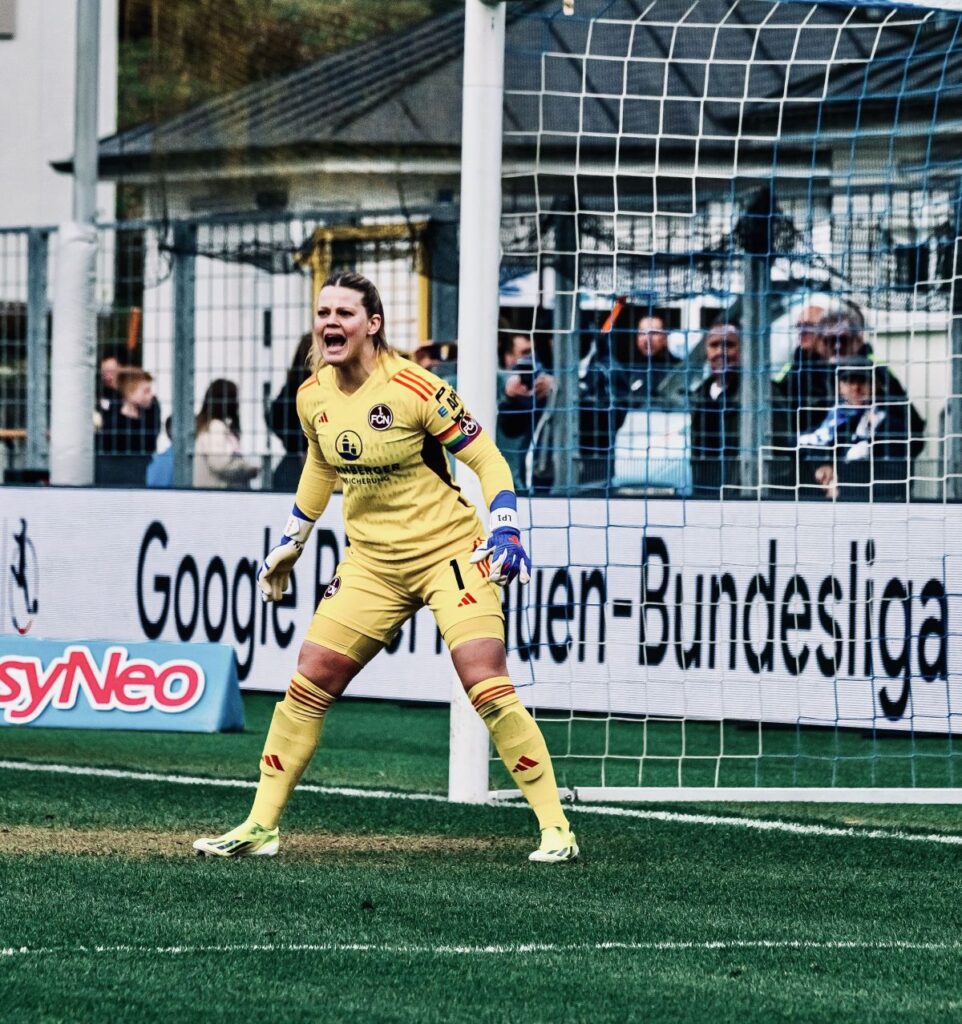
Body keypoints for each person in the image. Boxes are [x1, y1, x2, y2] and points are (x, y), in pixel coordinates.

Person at [193, 271, 578, 863]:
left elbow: (489, 460)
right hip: (372, 562)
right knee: (309, 678)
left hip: (450, 553)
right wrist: (292, 539)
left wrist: (506, 524)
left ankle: (556, 829)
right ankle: (260, 826)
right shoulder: (311, 395)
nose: (329, 323)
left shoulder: (417, 389)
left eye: (344, 313)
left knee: (485, 681)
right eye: (323, 312)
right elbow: (322, 467)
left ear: (372, 324)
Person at [816, 301, 926, 461]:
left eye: (843, 339)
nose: (837, 346)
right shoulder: (816, 370)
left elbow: (912, 428)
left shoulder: (877, 372)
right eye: (830, 340)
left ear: (858, 339)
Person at [798, 356, 912, 502]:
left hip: (868, 508)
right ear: (840, 386)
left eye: (863, 381)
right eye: (849, 381)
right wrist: (823, 463)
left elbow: (897, 482)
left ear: (876, 385)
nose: (856, 388)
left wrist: (841, 487)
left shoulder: (889, 425)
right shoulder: (832, 420)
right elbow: (795, 441)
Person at [496, 332, 554, 492]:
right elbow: (510, 429)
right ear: (508, 357)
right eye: (525, 353)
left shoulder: (544, 385)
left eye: (532, 352)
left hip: (533, 480)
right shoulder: (495, 385)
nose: (531, 358)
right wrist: (510, 395)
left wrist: (555, 390)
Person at [689, 321, 742, 496]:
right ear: (706, 350)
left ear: (742, 349)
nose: (721, 352)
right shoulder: (699, 395)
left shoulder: (760, 394)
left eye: (729, 345)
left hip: (742, 496)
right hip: (704, 494)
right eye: (714, 345)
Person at [95, 367, 161, 486]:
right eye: (146, 391)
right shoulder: (113, 421)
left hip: (140, 475)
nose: (151, 395)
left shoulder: (151, 413)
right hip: (113, 478)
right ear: (129, 393)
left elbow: (149, 440)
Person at [192, 379, 260, 489]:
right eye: (235, 398)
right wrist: (248, 468)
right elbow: (220, 464)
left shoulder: (212, 426)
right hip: (217, 496)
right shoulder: (215, 427)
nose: (237, 404)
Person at [268, 333, 313, 492]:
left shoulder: (292, 386)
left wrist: (293, 443)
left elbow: (273, 417)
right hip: (306, 464)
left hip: (291, 462)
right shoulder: (317, 387)